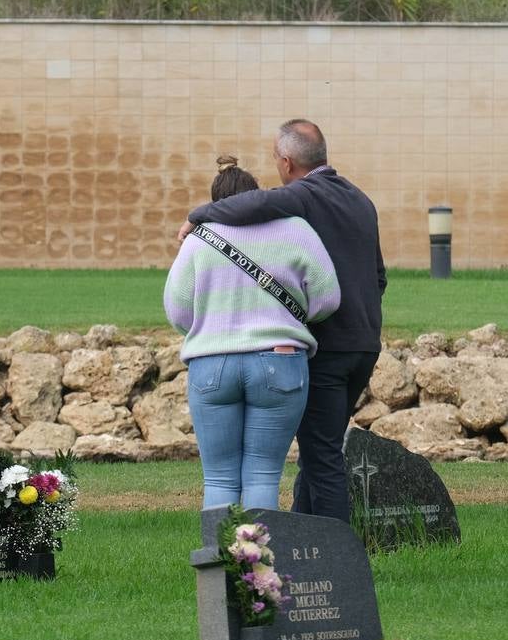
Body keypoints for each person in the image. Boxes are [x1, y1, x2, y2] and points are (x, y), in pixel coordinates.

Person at [176, 120, 385, 524]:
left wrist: (198, 215)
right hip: (363, 343)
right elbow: (379, 276)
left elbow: (253, 205)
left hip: (329, 346)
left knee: (321, 458)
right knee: (317, 448)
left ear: (287, 162)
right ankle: (301, 537)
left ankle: (334, 557)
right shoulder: (360, 200)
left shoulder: (303, 196)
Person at [164, 156, 340, 511]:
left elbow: (178, 309)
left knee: (218, 477)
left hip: (211, 363)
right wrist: (295, 316)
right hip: (280, 360)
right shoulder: (296, 230)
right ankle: (257, 566)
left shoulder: (199, 239)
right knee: (263, 476)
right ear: (256, 195)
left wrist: (208, 327)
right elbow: (328, 298)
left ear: (216, 201)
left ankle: (218, 564)